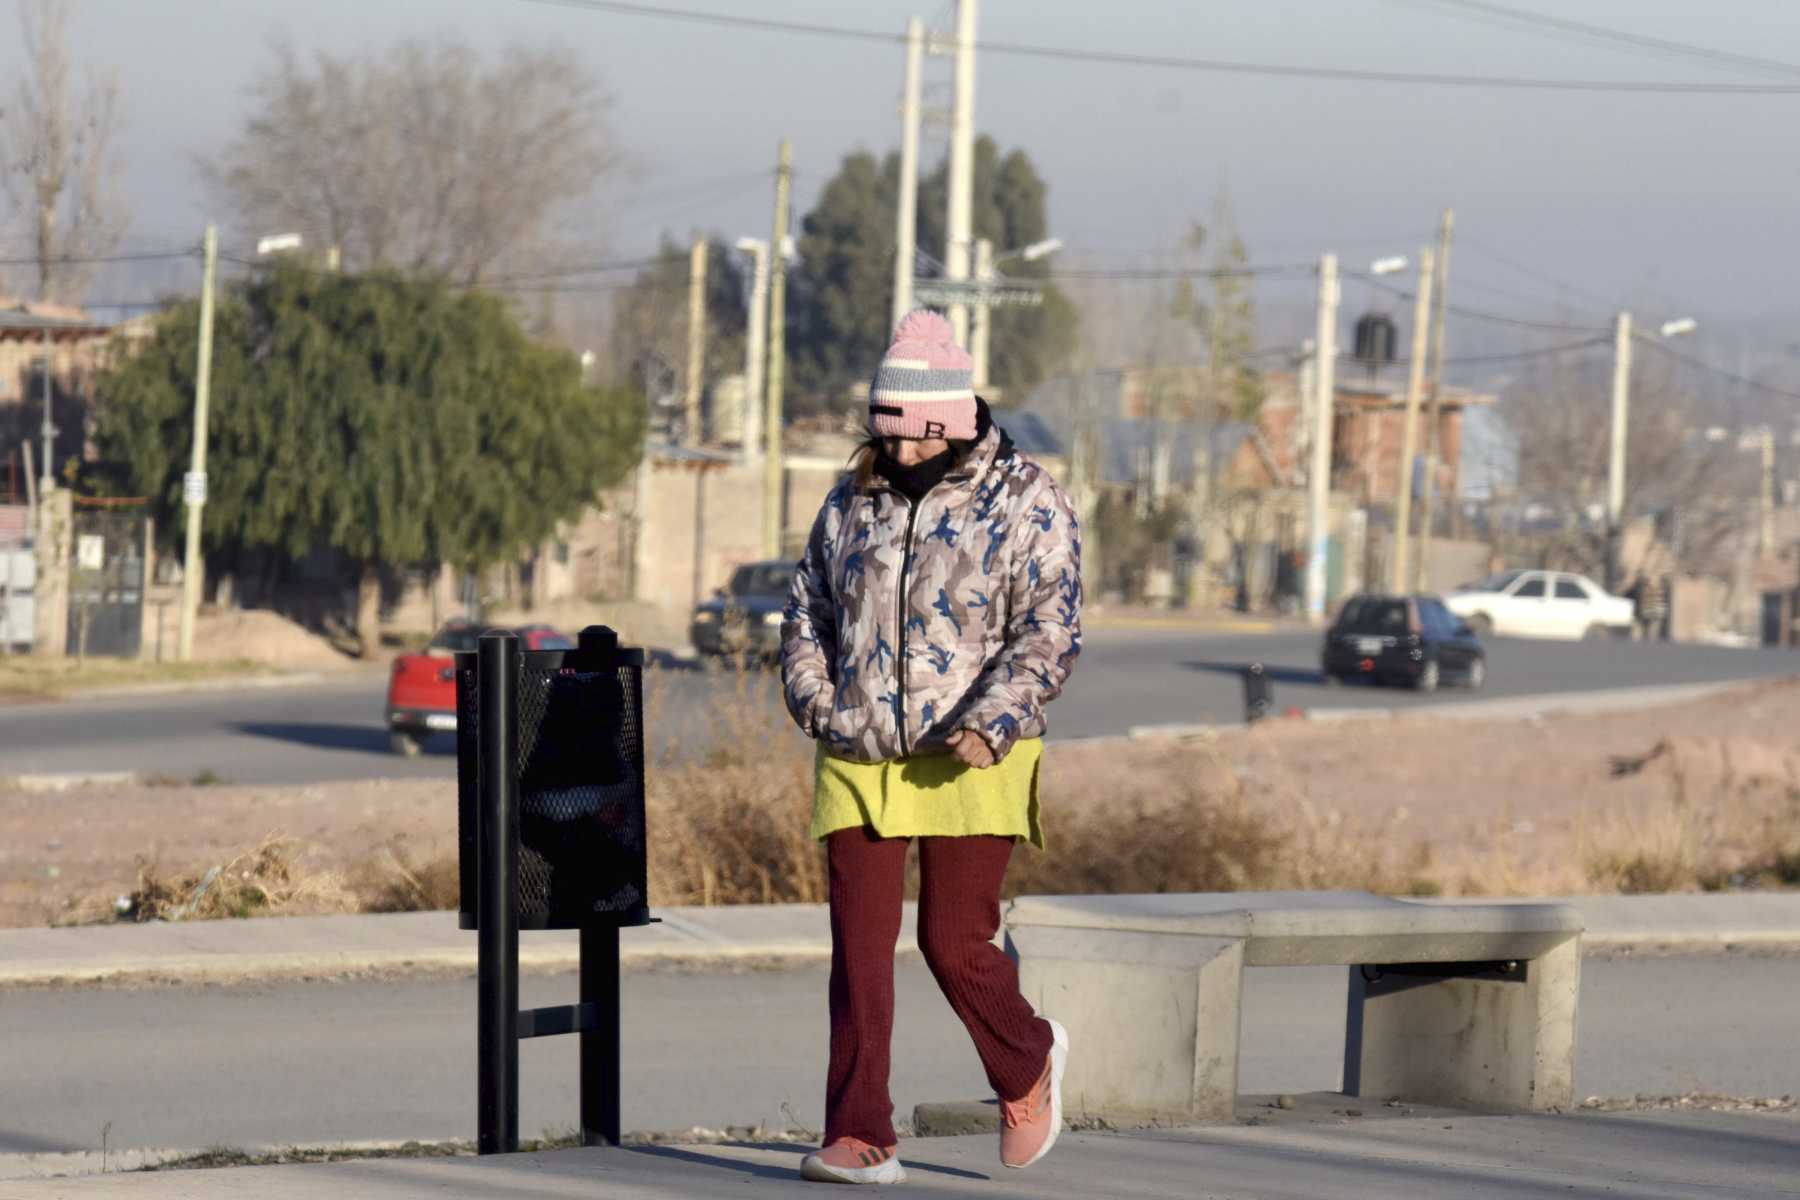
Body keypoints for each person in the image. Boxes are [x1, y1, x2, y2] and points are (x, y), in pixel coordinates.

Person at [781, 309, 1082, 1186]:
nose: (899, 452)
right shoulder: (853, 497)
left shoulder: (1028, 498)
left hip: (974, 750)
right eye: (886, 433)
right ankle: (859, 1132)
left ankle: (1025, 1059)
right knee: (860, 953)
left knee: (953, 943)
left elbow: (1051, 626)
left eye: (914, 436)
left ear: (951, 421)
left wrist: (994, 721)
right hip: (858, 747)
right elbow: (808, 607)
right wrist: (815, 698)